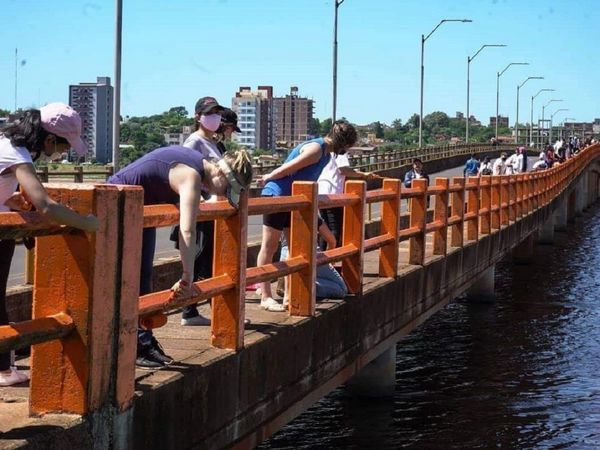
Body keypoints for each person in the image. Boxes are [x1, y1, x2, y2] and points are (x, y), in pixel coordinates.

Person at [108, 146, 252, 368]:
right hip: (117, 207)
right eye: (226, 189)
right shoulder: (191, 176)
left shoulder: (198, 164)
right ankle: (133, 345)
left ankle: (141, 341)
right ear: (221, 174)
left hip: (139, 211)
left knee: (142, 280)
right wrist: (187, 274)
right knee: (130, 282)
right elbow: (187, 230)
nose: (223, 195)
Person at [0, 104, 99, 386]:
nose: (62, 153)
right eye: (64, 146)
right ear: (48, 139)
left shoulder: (8, 144)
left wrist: (9, 199)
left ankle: (5, 368)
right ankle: (4, 370)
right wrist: (86, 223)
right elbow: (45, 205)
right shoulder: (16, 154)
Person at [256, 120, 357, 312]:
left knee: (294, 249)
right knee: (269, 247)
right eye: (347, 146)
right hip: (277, 195)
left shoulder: (327, 156)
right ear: (343, 143)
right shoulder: (316, 149)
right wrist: (268, 177)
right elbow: (288, 168)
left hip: (294, 201)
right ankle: (266, 295)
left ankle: (288, 295)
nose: (346, 150)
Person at [170, 97, 228, 326]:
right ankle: (189, 310)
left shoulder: (212, 142)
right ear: (198, 116)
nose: (215, 117)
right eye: (210, 112)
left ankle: (193, 309)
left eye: (217, 112)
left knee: (207, 259)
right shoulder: (193, 141)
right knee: (201, 257)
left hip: (213, 208)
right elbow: (183, 170)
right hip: (201, 206)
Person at [317, 151, 382, 248]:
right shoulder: (340, 152)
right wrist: (363, 174)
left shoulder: (326, 151)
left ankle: (322, 257)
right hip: (333, 193)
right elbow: (343, 170)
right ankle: (330, 257)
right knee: (334, 227)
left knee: (324, 227)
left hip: (321, 192)